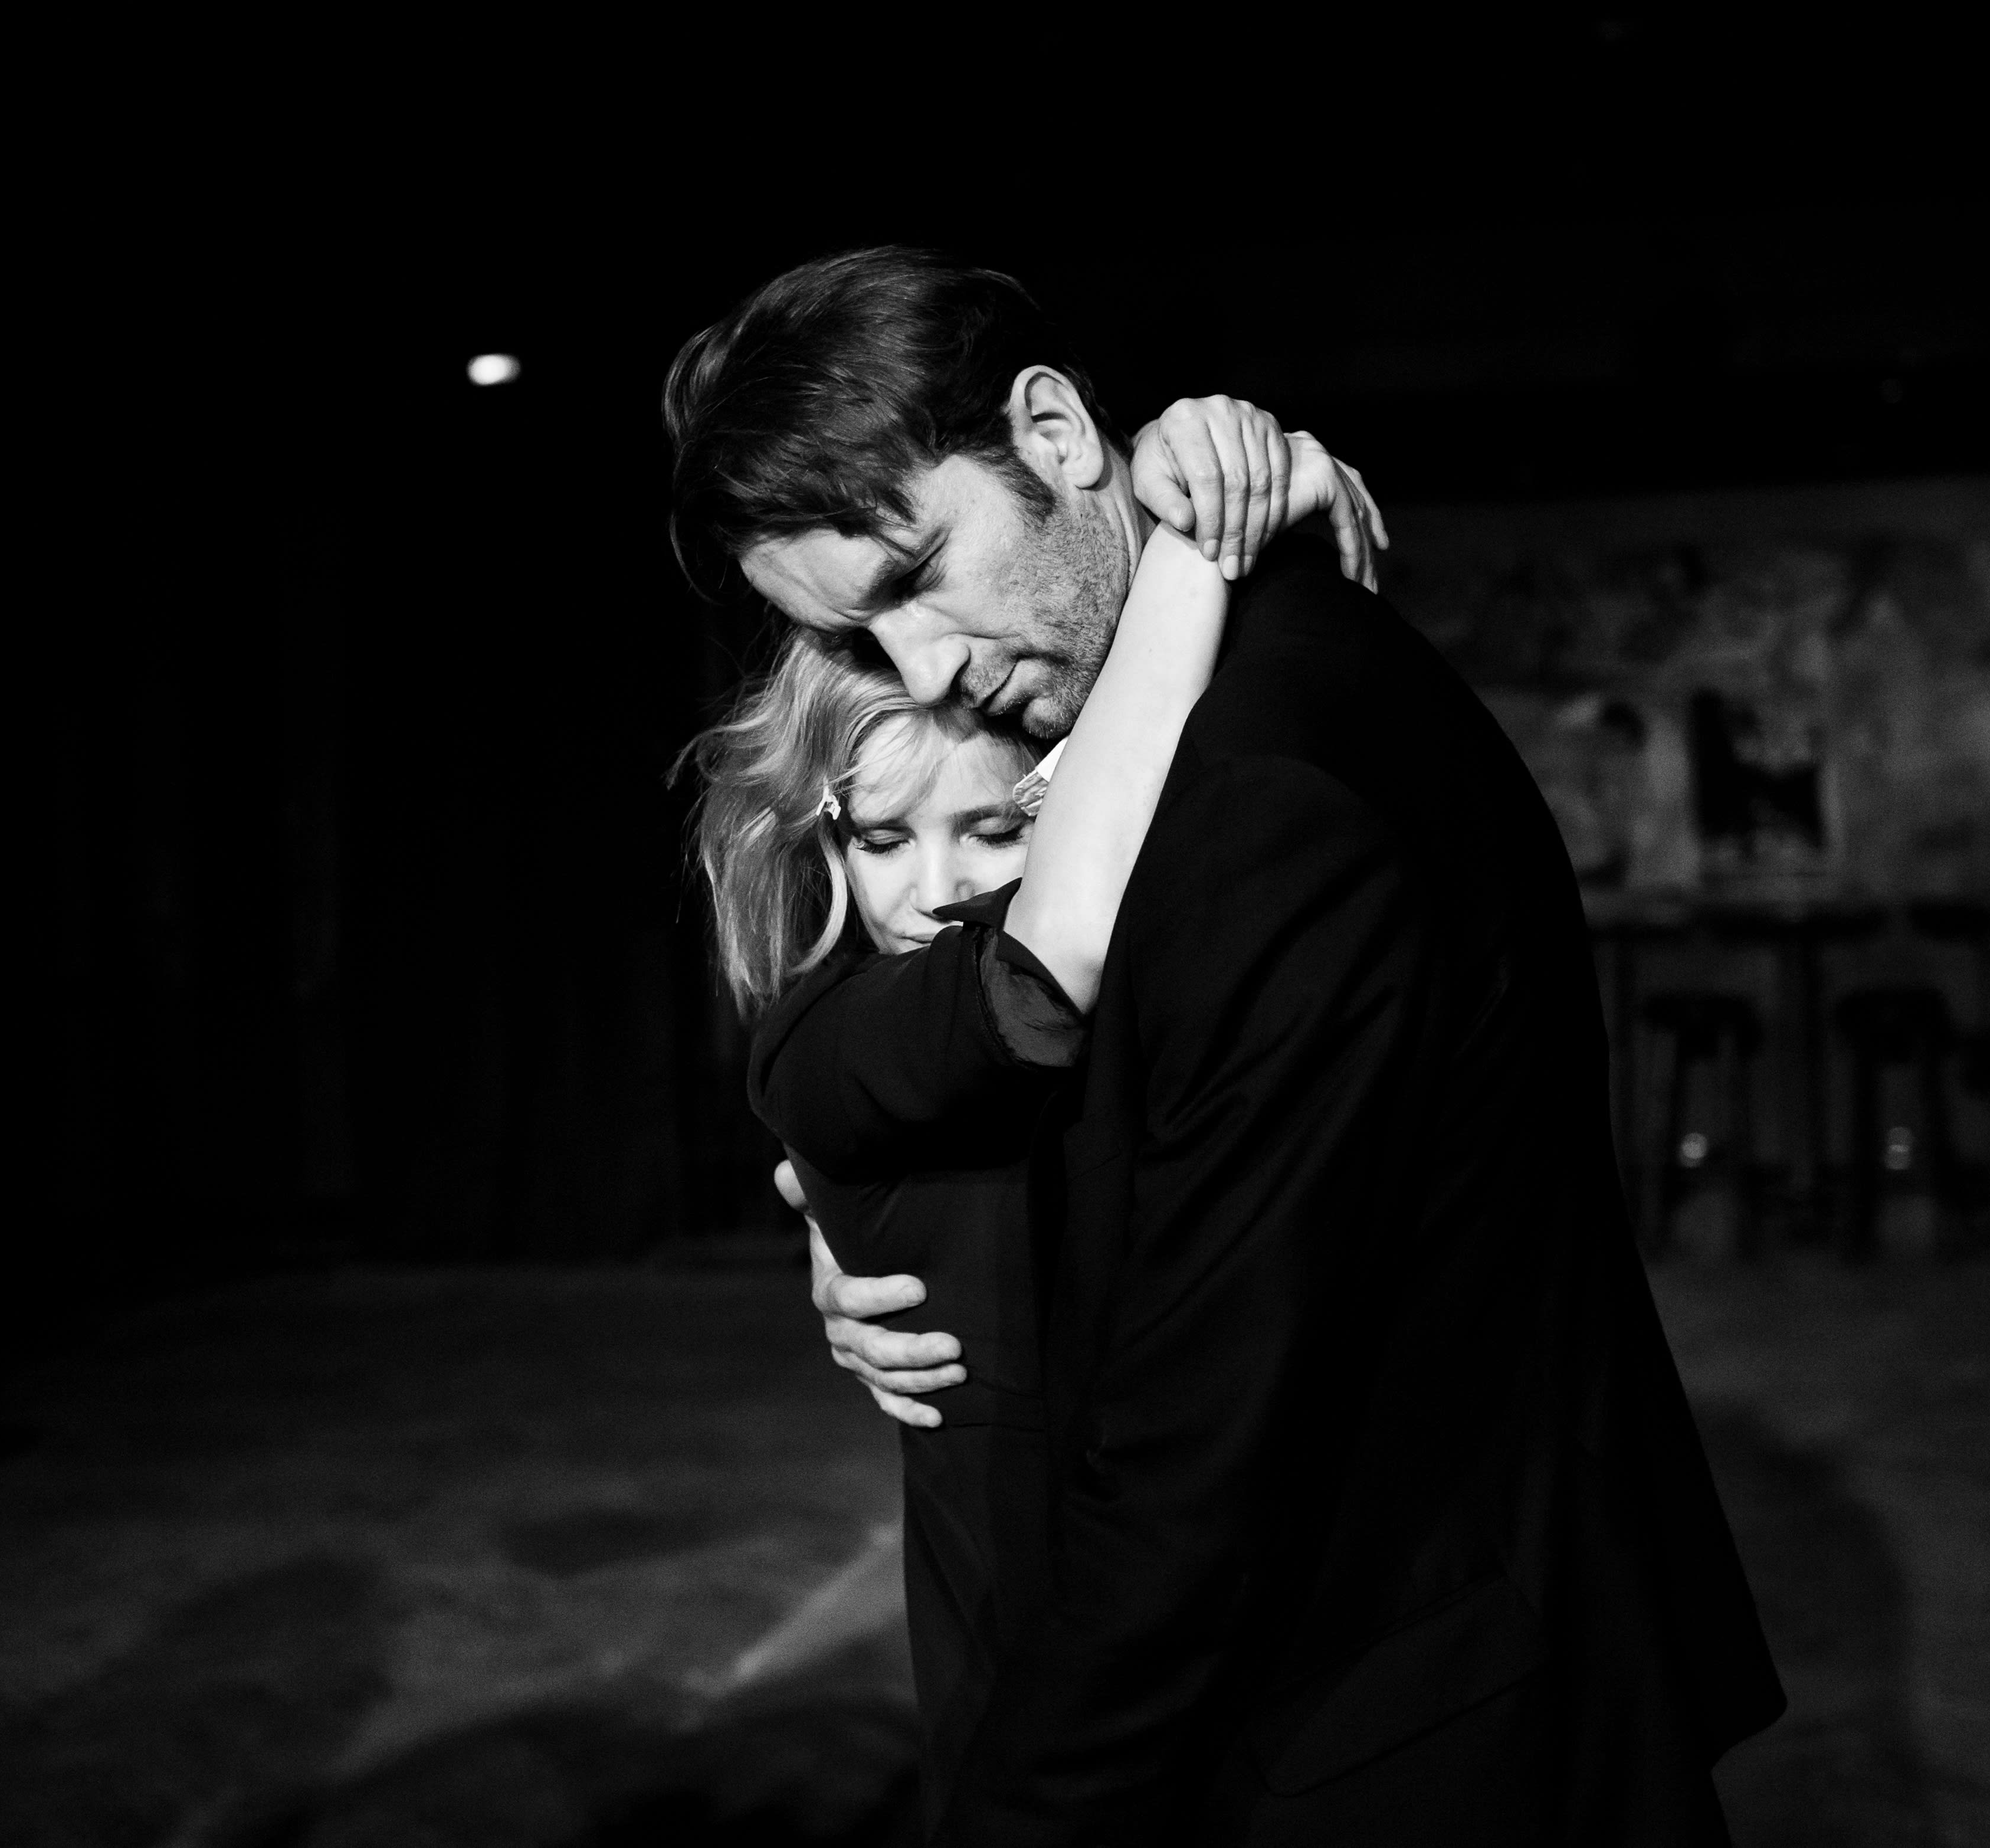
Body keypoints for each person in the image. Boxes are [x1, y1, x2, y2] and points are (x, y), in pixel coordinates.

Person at [667, 247, 1783, 1845]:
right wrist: (876, 1212)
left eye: (915, 576)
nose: (926, 672)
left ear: (1057, 436)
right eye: (858, 638)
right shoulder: (1223, 687)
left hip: (1395, 1715)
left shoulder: (1254, 791)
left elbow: (1204, 1433)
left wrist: (1033, 1814)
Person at [684, 398, 1365, 1833]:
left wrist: (1233, 478)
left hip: (1219, 1594)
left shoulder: (1154, 968)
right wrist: (1195, 536)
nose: (931, 889)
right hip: (1027, 1627)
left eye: (992, 830)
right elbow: (1036, 979)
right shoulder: (818, 1042)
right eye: (882, 837)